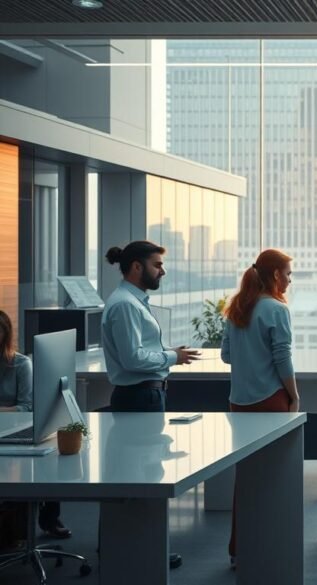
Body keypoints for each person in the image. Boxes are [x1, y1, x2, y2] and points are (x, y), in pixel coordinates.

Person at [101, 240, 199, 570]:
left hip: (145, 394)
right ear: (136, 267)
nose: (163, 271)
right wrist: (172, 356)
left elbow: (140, 350)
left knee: (141, 474)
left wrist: (169, 354)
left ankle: (139, 547)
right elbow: (132, 359)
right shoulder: (126, 305)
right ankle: (139, 551)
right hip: (138, 397)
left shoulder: (133, 302)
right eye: (157, 265)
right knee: (140, 477)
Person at [220, 249, 298, 568]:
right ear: (276, 275)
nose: (290, 280)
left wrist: (248, 355)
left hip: (239, 401)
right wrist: (294, 395)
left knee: (247, 478)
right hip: (271, 399)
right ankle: (269, 546)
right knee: (275, 476)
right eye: (288, 274)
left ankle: (239, 550)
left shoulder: (239, 306)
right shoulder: (276, 309)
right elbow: (282, 358)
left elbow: (226, 355)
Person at [0, 310, 68, 539]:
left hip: (17, 426)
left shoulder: (21, 364)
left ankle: (49, 518)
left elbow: (26, 407)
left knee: (47, 457)